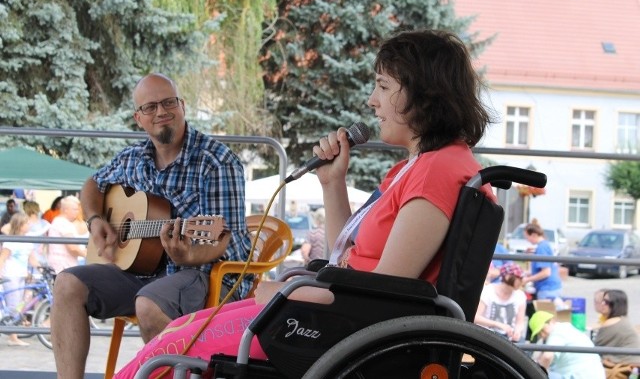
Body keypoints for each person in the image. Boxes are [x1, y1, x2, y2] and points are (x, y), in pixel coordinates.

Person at [113, 29, 498, 378]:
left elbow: (380, 295)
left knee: (162, 355)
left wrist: (286, 295)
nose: (371, 100)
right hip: (330, 315)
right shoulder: (416, 168)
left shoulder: (437, 170)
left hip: (333, 330)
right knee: (179, 332)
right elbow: (345, 257)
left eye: (383, 86)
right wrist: (333, 184)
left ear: (423, 92)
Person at [50, 72, 253, 379]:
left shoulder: (216, 161)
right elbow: (93, 183)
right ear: (138, 118)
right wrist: (95, 220)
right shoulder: (133, 158)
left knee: (149, 303)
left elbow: (227, 240)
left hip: (205, 273)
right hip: (140, 271)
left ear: (182, 106)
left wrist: (189, 256)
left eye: (169, 102)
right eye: (150, 107)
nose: (161, 112)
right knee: (67, 284)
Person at [0, 212, 41, 346]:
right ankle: (13, 337)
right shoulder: (11, 241)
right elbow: (3, 258)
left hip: (22, 275)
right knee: (14, 305)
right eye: (26, 223)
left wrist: (41, 268)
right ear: (20, 225)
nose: (29, 225)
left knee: (21, 304)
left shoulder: (28, 240)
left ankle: (14, 332)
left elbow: (32, 258)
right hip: (11, 275)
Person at [529, 310, 605, 378]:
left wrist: (536, 375)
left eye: (542, 330)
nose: (542, 335)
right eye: (538, 333)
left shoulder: (557, 332)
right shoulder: (565, 328)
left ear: (551, 321)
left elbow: (547, 356)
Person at [475, 263, 527, 342]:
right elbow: (476, 317)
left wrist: (517, 331)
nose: (522, 281)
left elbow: (520, 321)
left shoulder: (520, 295)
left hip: (509, 336)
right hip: (487, 334)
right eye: (519, 278)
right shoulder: (488, 291)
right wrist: (498, 325)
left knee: (525, 349)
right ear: (507, 277)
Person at [593, 289, 640, 366]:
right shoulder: (622, 319)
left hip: (624, 366)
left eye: (606, 302)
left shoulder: (612, 322)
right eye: (602, 300)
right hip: (630, 363)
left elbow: (595, 347)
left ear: (616, 305)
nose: (602, 304)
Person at [46, 196, 87, 274]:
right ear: (66, 210)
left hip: (62, 266)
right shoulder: (64, 223)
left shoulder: (58, 221)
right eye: (75, 209)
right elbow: (72, 247)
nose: (77, 212)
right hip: (64, 266)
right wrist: (86, 254)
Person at [521, 222, 562, 301]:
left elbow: (546, 272)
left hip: (547, 289)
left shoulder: (541, 247)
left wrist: (527, 280)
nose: (527, 240)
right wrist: (525, 273)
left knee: (545, 313)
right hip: (551, 288)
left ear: (534, 235)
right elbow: (542, 269)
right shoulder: (544, 245)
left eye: (527, 237)